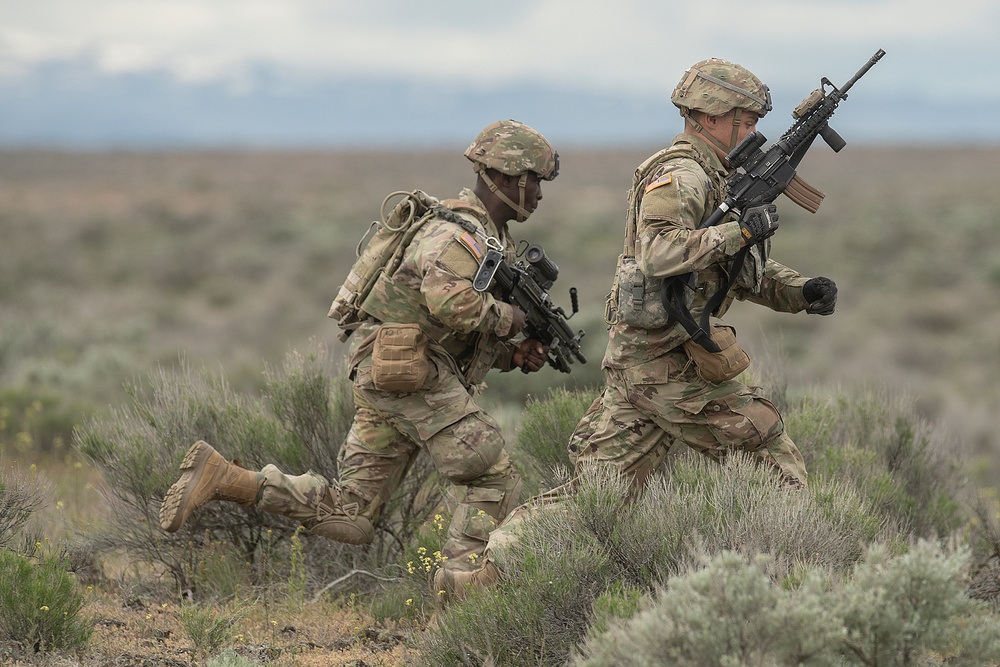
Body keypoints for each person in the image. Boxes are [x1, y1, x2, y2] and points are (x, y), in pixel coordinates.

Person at [435, 58, 839, 601]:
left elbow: (725, 276)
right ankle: (796, 596)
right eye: (745, 118)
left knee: (594, 498)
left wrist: (799, 291)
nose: (752, 129)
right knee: (772, 460)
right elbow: (660, 252)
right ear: (712, 117)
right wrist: (739, 231)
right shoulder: (683, 175)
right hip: (666, 365)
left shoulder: (716, 176)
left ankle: (478, 584)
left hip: (646, 362)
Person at [159, 119, 559, 586]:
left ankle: (225, 478)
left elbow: (449, 324)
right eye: (534, 180)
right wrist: (512, 320)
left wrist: (511, 355)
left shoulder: (486, 237)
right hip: (408, 371)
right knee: (490, 474)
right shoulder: (458, 235)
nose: (539, 193)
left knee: (352, 515)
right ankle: (462, 594)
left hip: (391, 370)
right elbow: (448, 301)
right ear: (508, 176)